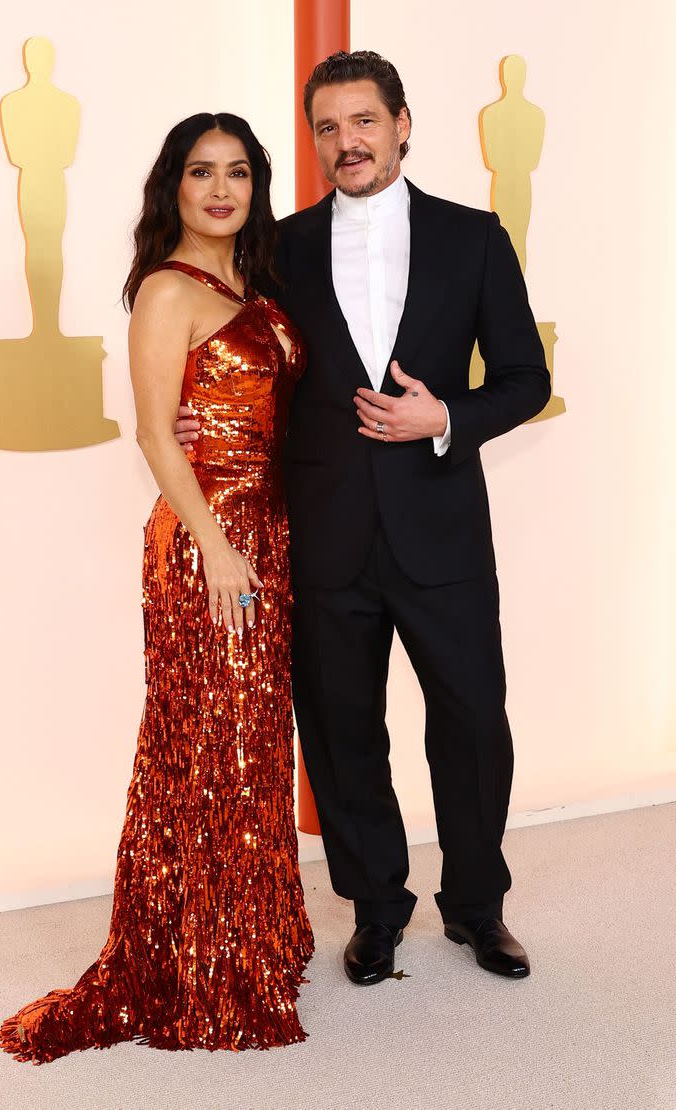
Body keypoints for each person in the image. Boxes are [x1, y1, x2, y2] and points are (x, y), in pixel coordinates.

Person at [176, 52, 551, 986]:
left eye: (365, 122)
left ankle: (475, 907)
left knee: (471, 723)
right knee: (343, 731)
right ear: (315, 144)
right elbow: (239, 357)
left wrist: (447, 418)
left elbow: (526, 379)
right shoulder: (280, 249)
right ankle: (375, 908)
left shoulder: (475, 238)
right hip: (324, 531)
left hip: (444, 533)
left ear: (403, 124)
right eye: (329, 128)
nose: (348, 142)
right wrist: (198, 414)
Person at [0, 113, 313, 1064]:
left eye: (239, 174)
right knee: (204, 746)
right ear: (171, 188)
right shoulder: (167, 292)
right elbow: (154, 434)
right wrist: (217, 545)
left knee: (251, 744)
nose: (221, 190)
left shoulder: (252, 282)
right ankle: (198, 965)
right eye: (200, 173)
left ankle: (246, 943)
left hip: (266, 536)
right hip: (206, 544)